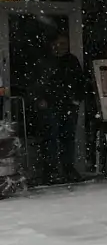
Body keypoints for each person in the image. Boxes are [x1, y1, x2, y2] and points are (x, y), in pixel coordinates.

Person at [31, 34, 86, 184]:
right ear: (52, 44)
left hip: (68, 104)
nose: (61, 47)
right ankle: (50, 171)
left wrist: (77, 98)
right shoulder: (44, 62)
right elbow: (37, 83)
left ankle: (68, 169)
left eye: (64, 44)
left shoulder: (71, 61)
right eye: (59, 43)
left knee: (68, 138)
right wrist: (40, 99)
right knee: (51, 138)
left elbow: (80, 81)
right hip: (50, 105)